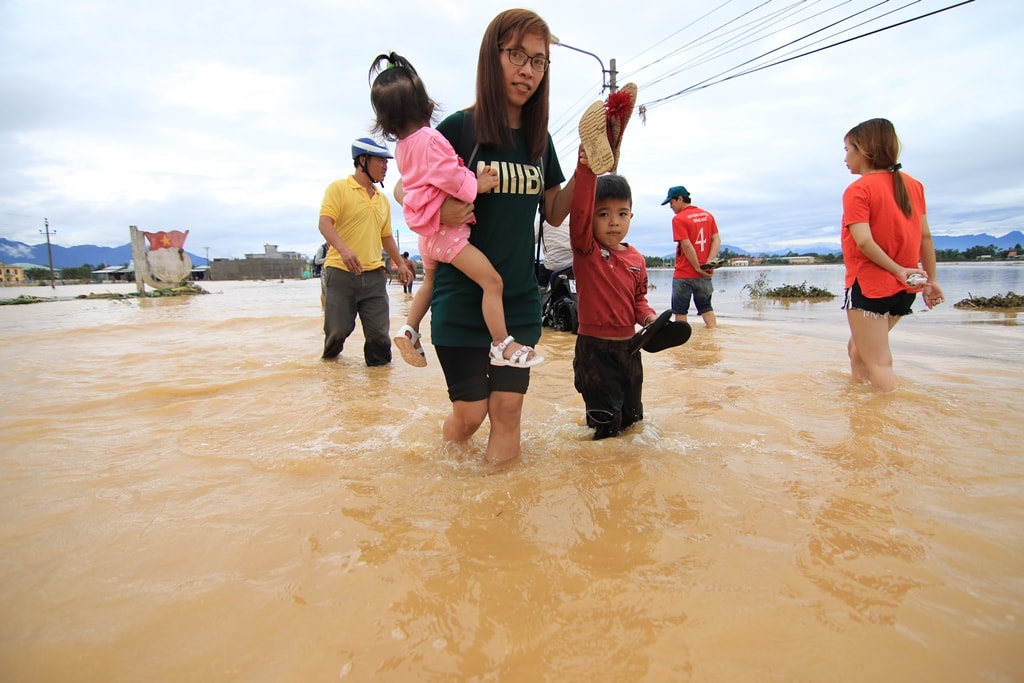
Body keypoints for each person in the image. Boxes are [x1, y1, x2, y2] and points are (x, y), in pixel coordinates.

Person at [396, 9, 576, 462]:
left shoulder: (540, 141)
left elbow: (555, 212)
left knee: (509, 411)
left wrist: (589, 167)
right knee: (471, 415)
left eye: (539, 61)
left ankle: (499, 520)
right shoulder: (460, 128)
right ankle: (446, 471)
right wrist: (443, 207)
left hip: (517, 299)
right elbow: (403, 186)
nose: (527, 70)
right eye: (516, 54)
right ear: (491, 57)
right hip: (461, 296)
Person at [368, 52, 542, 370]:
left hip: (429, 236)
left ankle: (410, 328)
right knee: (492, 282)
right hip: (448, 235)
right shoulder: (432, 139)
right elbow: (453, 178)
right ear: (425, 104)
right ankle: (501, 343)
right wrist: (478, 183)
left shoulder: (403, 146)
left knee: (429, 283)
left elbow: (410, 186)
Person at [569, 103, 658, 440]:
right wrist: (588, 169)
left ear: (632, 217)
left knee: (633, 425)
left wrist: (650, 319)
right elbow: (577, 213)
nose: (614, 222)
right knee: (605, 433)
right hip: (595, 353)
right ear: (591, 218)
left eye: (622, 214)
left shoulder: (636, 258)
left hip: (630, 351)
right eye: (603, 214)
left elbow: (638, 302)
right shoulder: (587, 251)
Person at [841, 117, 944, 391]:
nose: (845, 158)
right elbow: (925, 237)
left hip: (871, 285)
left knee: (877, 361)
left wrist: (897, 270)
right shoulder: (914, 185)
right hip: (904, 289)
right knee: (857, 351)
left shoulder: (859, 189)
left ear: (864, 150)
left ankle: (887, 422)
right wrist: (931, 280)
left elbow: (863, 242)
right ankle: (865, 413)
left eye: (848, 149)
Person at [318, 137, 412, 365]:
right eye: (381, 161)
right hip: (341, 273)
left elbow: (386, 236)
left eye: (387, 162)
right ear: (362, 160)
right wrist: (343, 250)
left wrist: (400, 263)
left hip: (374, 277)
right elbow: (325, 223)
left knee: (380, 337)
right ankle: (331, 376)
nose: (385, 167)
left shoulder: (382, 200)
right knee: (337, 332)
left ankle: (378, 392)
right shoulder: (339, 189)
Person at [662, 185, 721, 328]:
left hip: (684, 274)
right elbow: (716, 239)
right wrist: (709, 263)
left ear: (680, 199)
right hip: (705, 273)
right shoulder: (708, 215)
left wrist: (696, 267)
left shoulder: (679, 219)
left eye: (671, 202)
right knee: (706, 308)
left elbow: (686, 245)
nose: (670, 206)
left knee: (680, 311)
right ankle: (713, 337)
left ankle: (681, 345)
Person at [312, 241, 328, 310]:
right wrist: (327, 259)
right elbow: (317, 261)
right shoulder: (322, 248)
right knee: (324, 291)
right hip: (324, 272)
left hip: (332, 272)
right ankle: (324, 308)